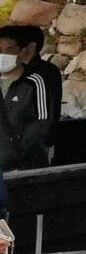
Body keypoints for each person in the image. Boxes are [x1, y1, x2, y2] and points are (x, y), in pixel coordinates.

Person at [0, 25, 60, 172]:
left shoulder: (36, 81)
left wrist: (19, 157)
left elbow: (43, 123)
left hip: (24, 166)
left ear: (22, 51)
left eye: (9, 49)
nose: (2, 55)